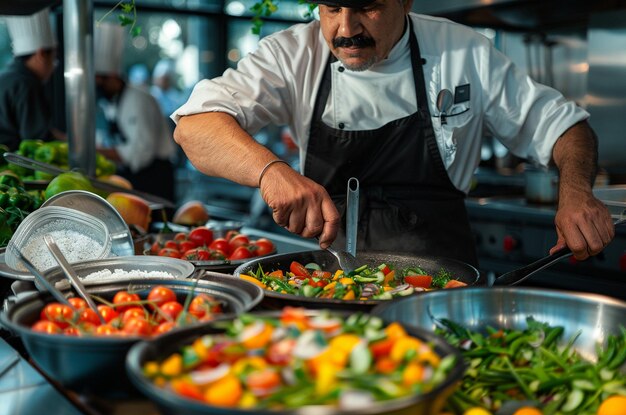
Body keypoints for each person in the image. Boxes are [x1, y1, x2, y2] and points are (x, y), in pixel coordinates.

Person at [172, 0, 614, 264]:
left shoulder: (465, 53)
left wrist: (576, 193)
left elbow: (565, 127)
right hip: (330, 277)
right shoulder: (294, 52)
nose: (345, 29)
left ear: (405, 1)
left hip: (439, 278)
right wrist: (270, 171)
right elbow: (194, 126)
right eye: (331, 8)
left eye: (366, 6)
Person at [94, 23, 177, 201]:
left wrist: (95, 151)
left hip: (154, 178)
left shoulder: (138, 99)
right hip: (134, 176)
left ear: (112, 76)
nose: (97, 87)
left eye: (100, 81)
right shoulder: (111, 100)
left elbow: (140, 153)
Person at [0, 8, 64, 151]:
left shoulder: (6, 75)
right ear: (41, 54)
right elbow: (38, 138)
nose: (53, 67)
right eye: (54, 59)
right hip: (9, 164)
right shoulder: (27, 83)